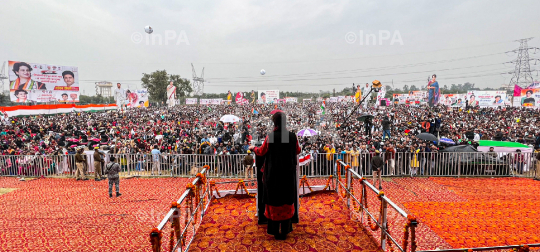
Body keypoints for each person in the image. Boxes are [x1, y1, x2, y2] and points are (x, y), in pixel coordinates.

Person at [250, 111, 301, 240]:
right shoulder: (292, 136)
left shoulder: (271, 136)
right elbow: (298, 150)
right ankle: (285, 229)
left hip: (273, 174)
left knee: (274, 199)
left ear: (274, 122)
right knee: (286, 199)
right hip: (288, 174)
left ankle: (274, 230)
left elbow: (261, 151)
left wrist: (253, 149)